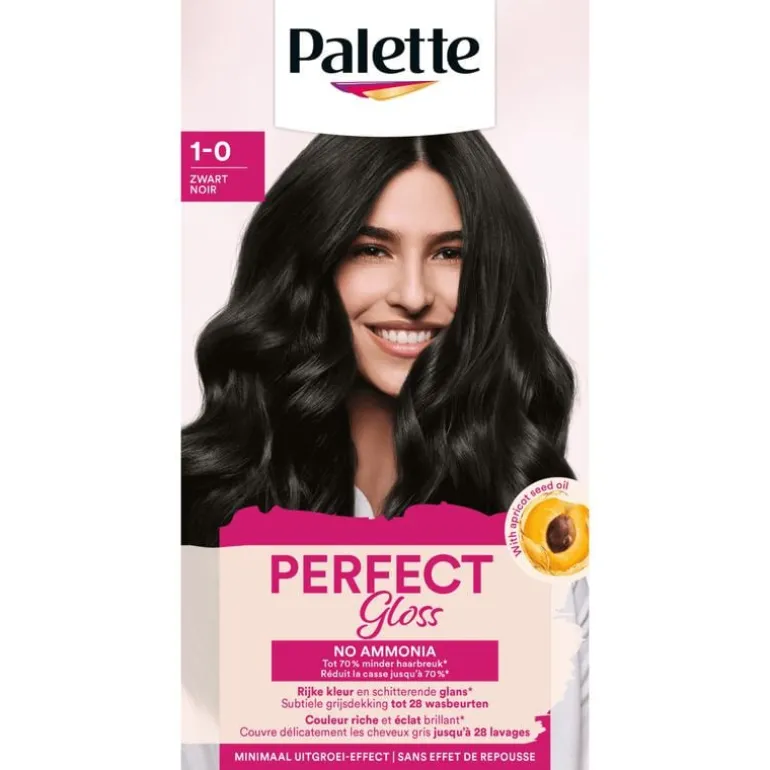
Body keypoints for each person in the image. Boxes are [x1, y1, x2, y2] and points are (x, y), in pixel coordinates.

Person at [182, 131, 575, 545]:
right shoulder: (191, 504)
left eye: (449, 253)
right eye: (372, 250)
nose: (413, 296)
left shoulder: (542, 521)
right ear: (307, 267)